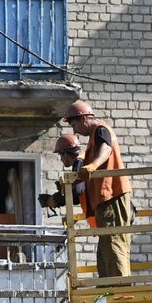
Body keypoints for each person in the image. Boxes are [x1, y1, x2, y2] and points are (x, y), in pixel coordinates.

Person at [63, 100, 133, 278]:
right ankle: (109, 289)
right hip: (104, 199)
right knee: (105, 250)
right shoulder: (94, 137)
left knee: (114, 244)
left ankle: (121, 292)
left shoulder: (102, 130)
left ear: (84, 118)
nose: (75, 131)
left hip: (112, 195)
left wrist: (94, 164)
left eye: (74, 125)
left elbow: (106, 149)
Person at [38, 134, 96, 228]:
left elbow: (77, 193)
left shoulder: (79, 162)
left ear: (65, 153)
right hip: (98, 213)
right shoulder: (83, 159)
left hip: (100, 214)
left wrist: (56, 199)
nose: (61, 159)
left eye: (60, 155)